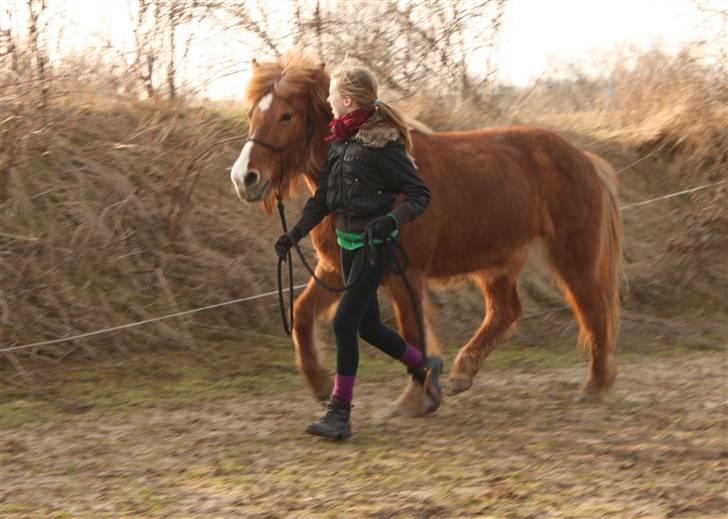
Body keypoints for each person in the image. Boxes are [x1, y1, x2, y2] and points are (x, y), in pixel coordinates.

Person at [274, 66, 439, 440]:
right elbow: (323, 200)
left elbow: (419, 195)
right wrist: (293, 235)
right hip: (348, 248)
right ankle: (422, 366)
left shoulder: (384, 144)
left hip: (374, 248)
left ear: (347, 101)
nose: (328, 101)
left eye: (332, 95)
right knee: (369, 327)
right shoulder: (341, 141)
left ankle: (339, 413)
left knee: (343, 323)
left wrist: (391, 222)